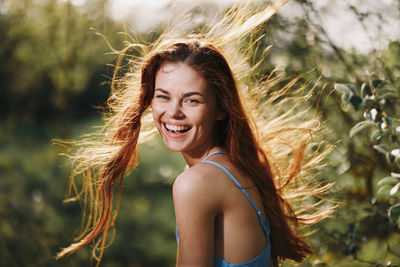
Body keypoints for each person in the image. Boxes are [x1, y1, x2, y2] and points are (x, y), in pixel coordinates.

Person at [56, 1, 332, 266]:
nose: (173, 112)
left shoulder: (196, 183)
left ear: (221, 108)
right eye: (163, 97)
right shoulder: (237, 167)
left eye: (192, 100)